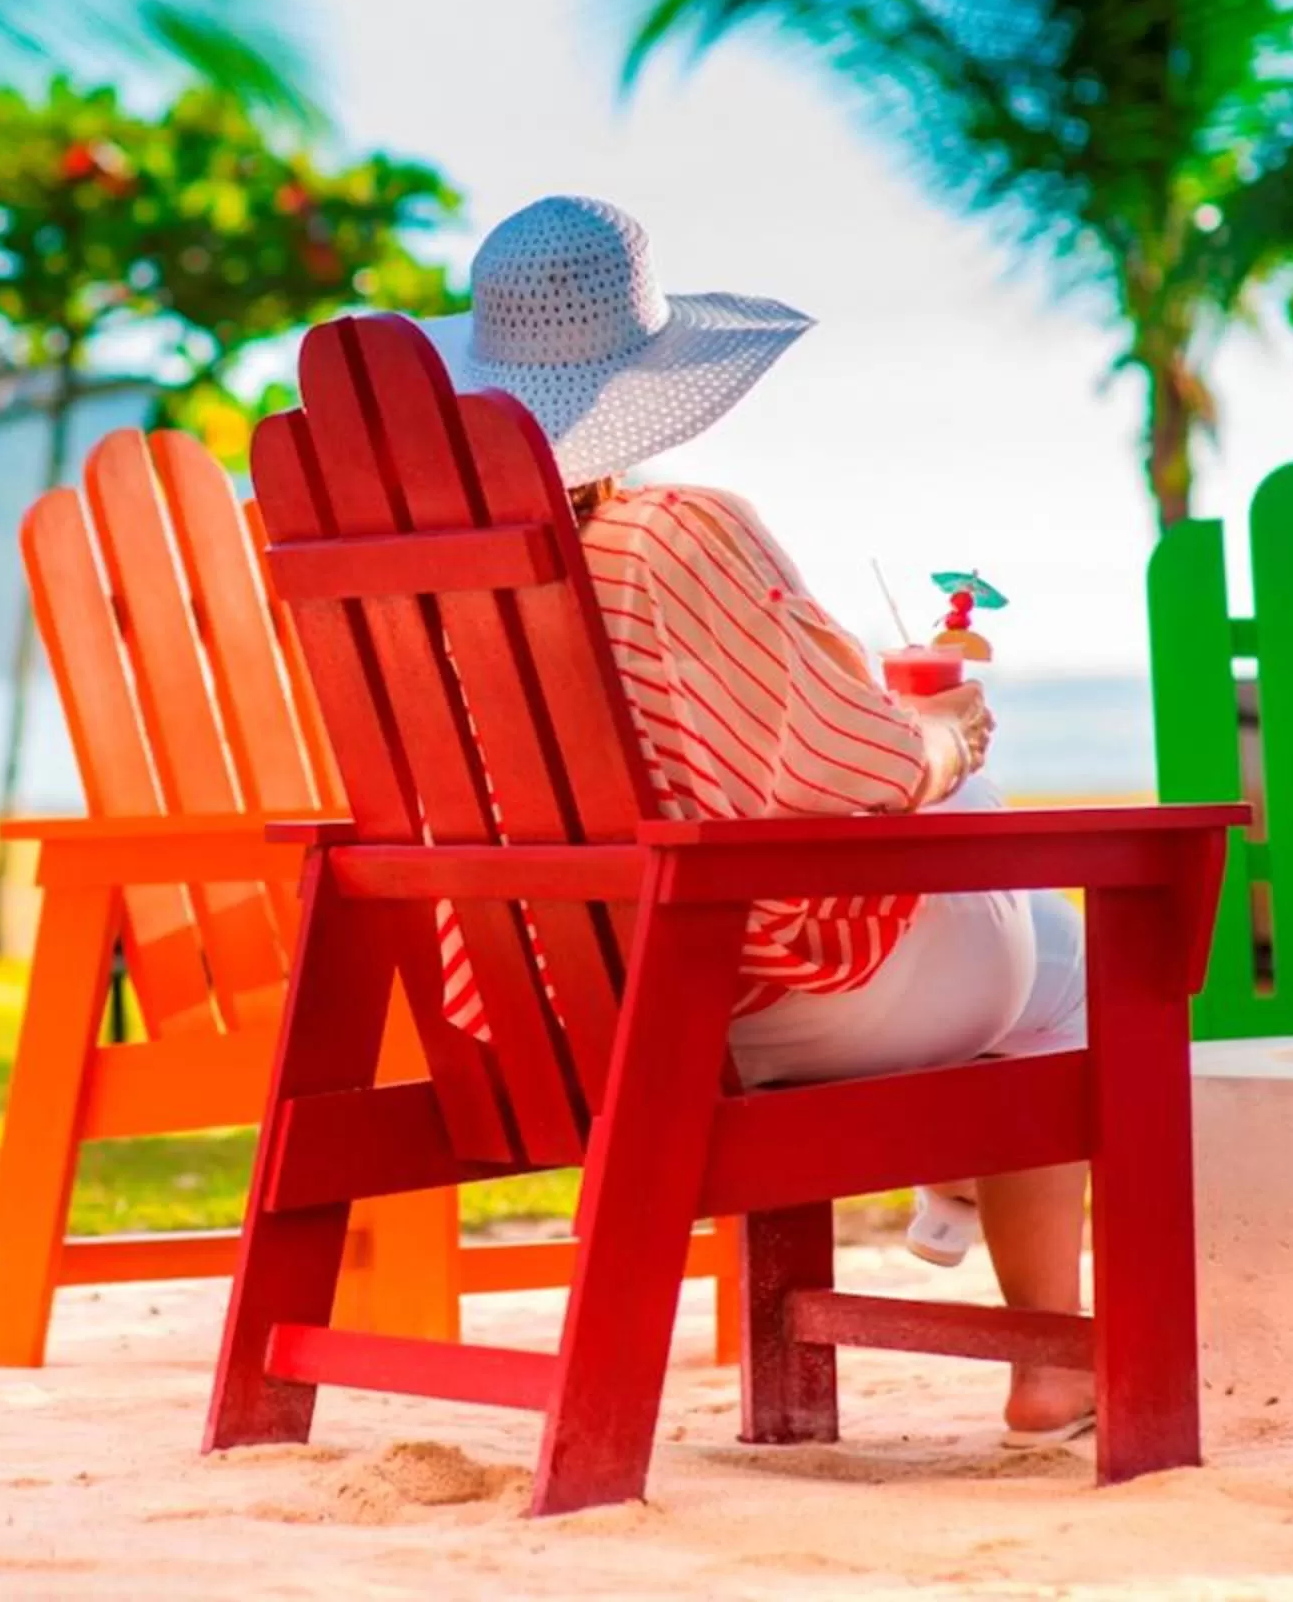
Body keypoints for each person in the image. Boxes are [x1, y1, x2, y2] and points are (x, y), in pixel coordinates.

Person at [421, 194, 1095, 1446]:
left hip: (558, 1014)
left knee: (998, 907)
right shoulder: (678, 532)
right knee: (1062, 964)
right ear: (648, 383)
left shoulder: (441, 587)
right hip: (755, 1003)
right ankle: (1051, 1354)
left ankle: (962, 1184)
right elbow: (860, 760)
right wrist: (948, 739)